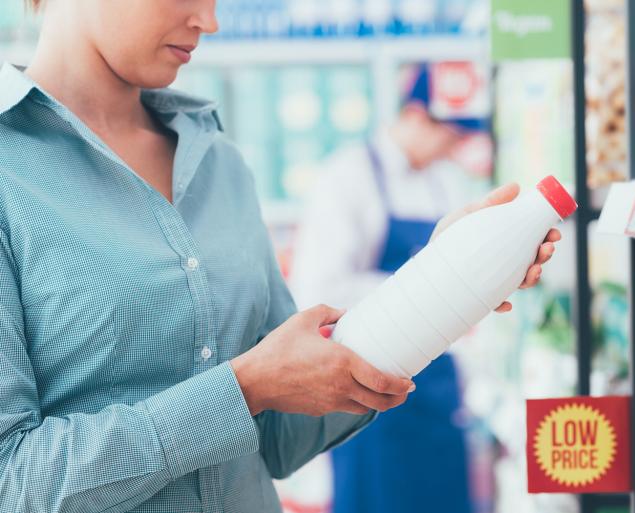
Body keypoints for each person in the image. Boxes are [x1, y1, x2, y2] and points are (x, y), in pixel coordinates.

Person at [0, 2, 558, 512]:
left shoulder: (219, 162)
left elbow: (279, 439)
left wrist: (443, 289)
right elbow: (12, 481)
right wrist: (243, 387)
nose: (209, 21)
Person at [290, 64, 560, 513]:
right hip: (365, 391)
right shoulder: (347, 177)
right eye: (449, 133)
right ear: (415, 116)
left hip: (436, 386)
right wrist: (435, 286)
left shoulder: (441, 179)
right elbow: (318, 290)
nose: (454, 146)